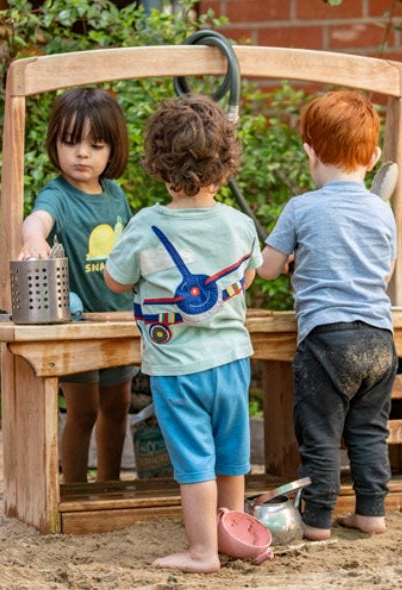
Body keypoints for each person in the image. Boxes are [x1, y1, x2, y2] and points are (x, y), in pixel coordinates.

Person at [104, 94, 262, 573]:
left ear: (158, 164)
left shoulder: (146, 225)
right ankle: (233, 537)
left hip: (177, 368)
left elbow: (115, 279)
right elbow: (249, 276)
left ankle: (201, 552)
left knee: (195, 463)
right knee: (232, 457)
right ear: (225, 163)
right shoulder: (239, 224)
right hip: (233, 360)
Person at [257, 90, 398, 541]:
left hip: (328, 340)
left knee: (320, 433)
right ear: (374, 156)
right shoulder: (382, 209)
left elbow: (268, 268)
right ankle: (372, 512)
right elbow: (384, 269)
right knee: (369, 431)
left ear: (309, 152)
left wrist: (297, 258)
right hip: (379, 339)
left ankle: (317, 519)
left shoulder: (301, 207)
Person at [18, 87, 137, 483]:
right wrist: (33, 237)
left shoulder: (116, 195)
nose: (82, 153)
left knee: (118, 406)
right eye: (70, 142)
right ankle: (73, 487)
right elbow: (38, 219)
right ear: (55, 143)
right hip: (76, 325)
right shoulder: (57, 194)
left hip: (118, 322)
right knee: (83, 411)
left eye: (95, 144)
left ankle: (108, 482)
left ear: (112, 149)